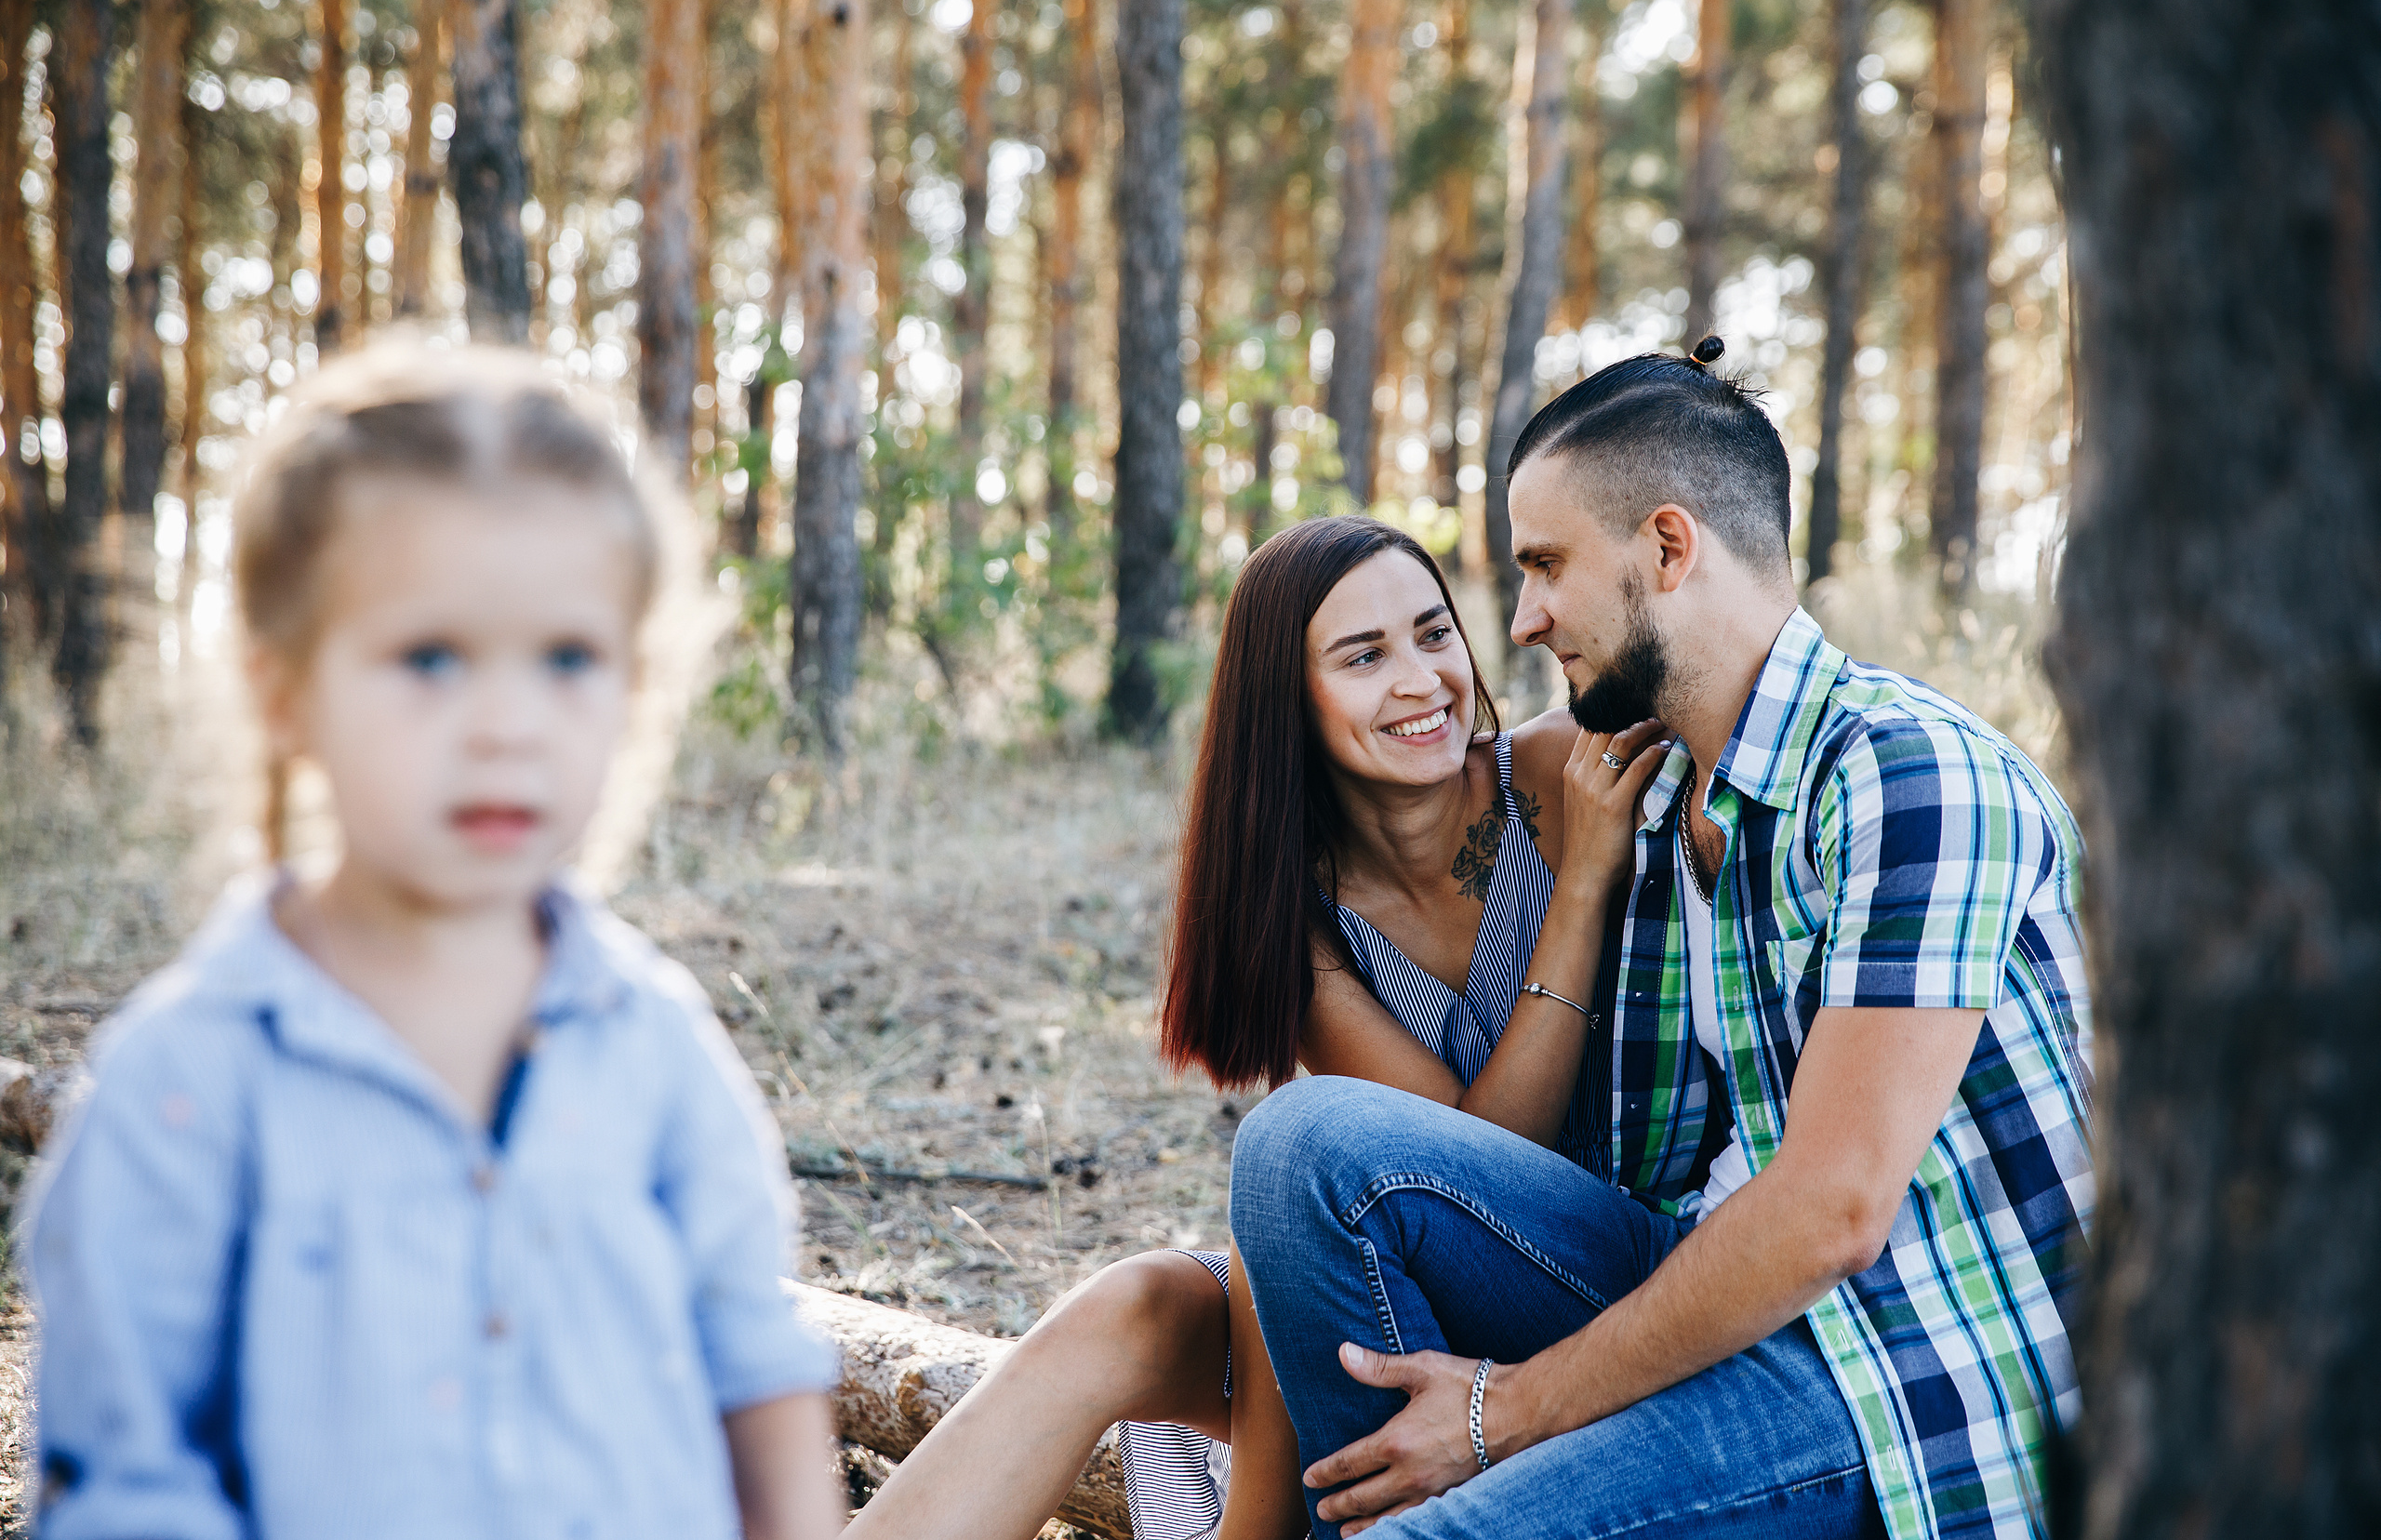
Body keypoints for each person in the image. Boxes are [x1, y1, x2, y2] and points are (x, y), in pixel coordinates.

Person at [1230, 340, 2094, 1540]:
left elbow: (1833, 1211)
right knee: (1302, 1142)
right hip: (1710, 1293)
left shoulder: (1909, 777)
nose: (1521, 619)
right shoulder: (1646, 780)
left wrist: (1505, 1413)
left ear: (1668, 548)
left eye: (1545, 565)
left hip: (1893, 1367)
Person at [25, 342, 847, 1540]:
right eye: (429, 658)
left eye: (568, 659)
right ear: (284, 691)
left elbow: (755, 1370)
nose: (508, 725)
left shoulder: (654, 1039)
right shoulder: (188, 1081)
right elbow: (124, 1479)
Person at [845, 514, 1670, 1540]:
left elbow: (1461, 1181)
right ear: (1289, 698)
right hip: (1411, 1290)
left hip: (1611, 1288)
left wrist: (1587, 870)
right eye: (1363, 656)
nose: (1420, 680)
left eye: (1433, 633)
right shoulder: (1304, 916)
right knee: (1132, 1303)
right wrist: (1582, 892)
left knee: (1295, 1160)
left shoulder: (1565, 776)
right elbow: (1443, 1162)